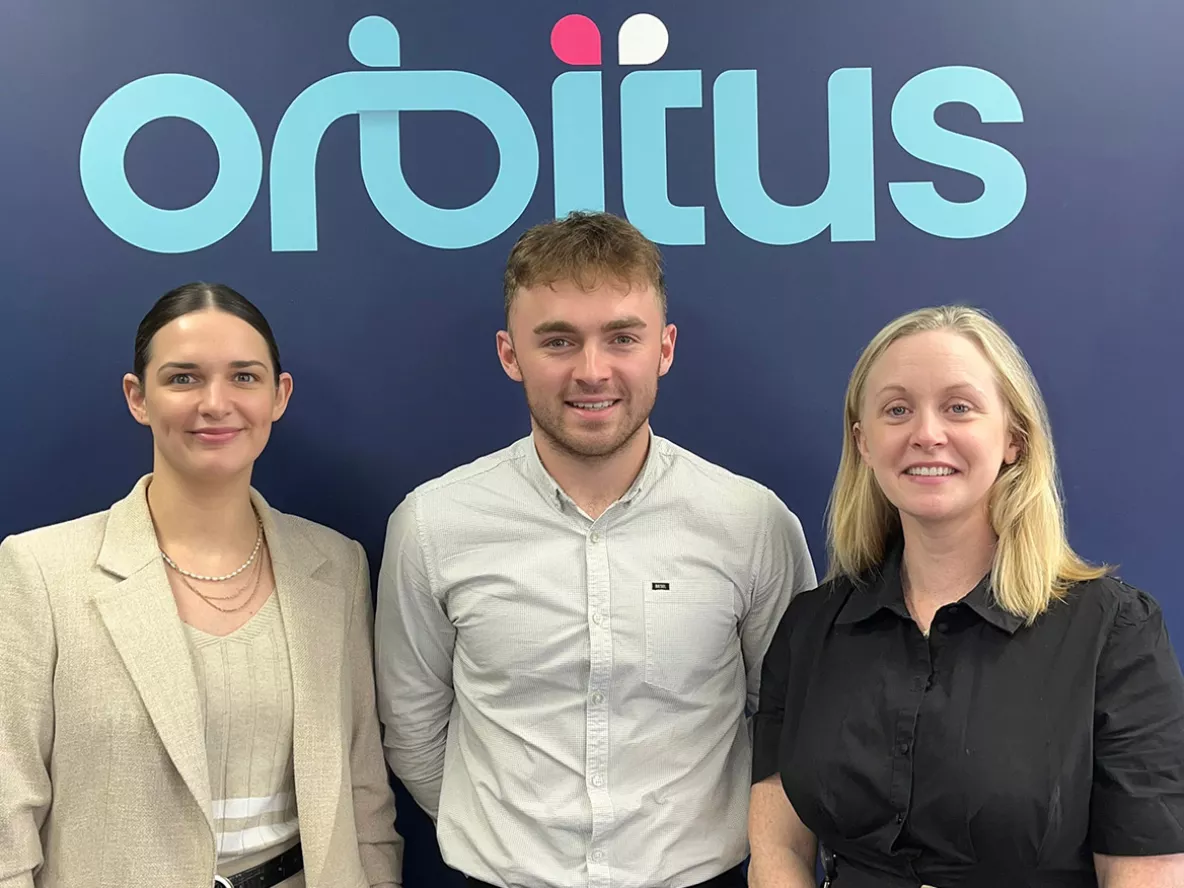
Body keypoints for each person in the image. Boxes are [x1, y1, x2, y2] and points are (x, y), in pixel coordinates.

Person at [374, 211, 816, 888]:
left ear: (664, 348)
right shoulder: (433, 526)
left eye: (621, 338)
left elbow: (786, 719)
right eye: (558, 341)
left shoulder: (751, 524)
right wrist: (508, 845)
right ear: (509, 353)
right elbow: (412, 728)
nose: (592, 370)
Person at [748, 305, 1184, 888]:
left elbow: (1145, 869)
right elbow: (777, 846)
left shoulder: (1113, 632)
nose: (927, 434)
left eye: (959, 407)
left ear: (1013, 439)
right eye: (897, 410)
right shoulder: (810, 628)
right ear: (864, 444)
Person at [0, 283, 403, 888]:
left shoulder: (334, 565)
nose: (216, 403)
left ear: (279, 396)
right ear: (138, 397)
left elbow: (363, 789)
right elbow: (9, 813)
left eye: (244, 378)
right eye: (183, 378)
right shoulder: (41, 571)